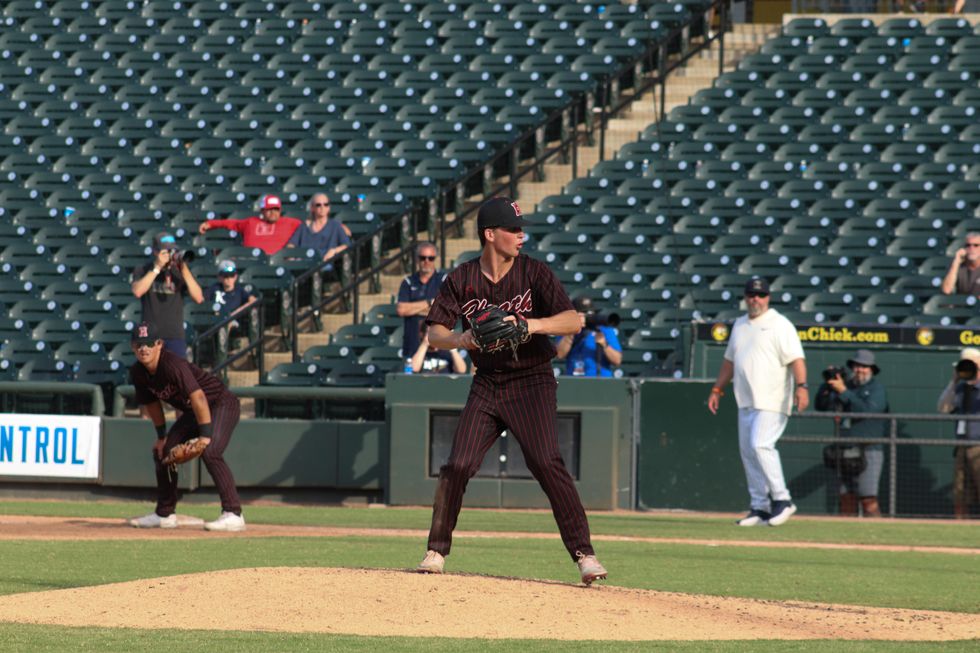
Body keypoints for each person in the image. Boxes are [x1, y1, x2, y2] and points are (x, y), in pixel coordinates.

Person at [415, 196, 607, 585]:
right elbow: (434, 333)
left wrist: (530, 325)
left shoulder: (535, 272)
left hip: (532, 378)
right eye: (513, 230)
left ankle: (584, 553)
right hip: (487, 382)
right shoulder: (462, 278)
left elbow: (572, 320)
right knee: (458, 465)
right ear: (490, 235)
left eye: (521, 230)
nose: (522, 236)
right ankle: (436, 549)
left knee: (545, 461)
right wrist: (463, 339)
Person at [707, 277, 808, 527]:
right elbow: (730, 361)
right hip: (746, 399)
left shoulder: (779, 324)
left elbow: (796, 359)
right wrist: (717, 389)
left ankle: (783, 500)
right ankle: (760, 506)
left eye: (760, 295)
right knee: (749, 452)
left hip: (772, 398)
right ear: (745, 297)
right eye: (751, 294)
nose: (756, 299)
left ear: (768, 298)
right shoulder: (740, 325)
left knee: (760, 445)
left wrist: (802, 386)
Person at [126, 322, 246, 532]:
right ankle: (165, 514)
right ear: (132, 347)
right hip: (194, 412)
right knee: (164, 452)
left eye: (148, 344)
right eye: (139, 344)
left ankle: (233, 513)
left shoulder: (171, 364)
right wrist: (161, 437)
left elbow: (198, 396)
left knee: (211, 451)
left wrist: (205, 436)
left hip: (220, 403)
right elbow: (152, 405)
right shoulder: (138, 372)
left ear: (159, 344)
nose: (143, 348)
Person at [814, 350, 888, 518]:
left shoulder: (877, 389)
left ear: (871, 369)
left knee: (868, 499)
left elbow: (867, 411)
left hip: (869, 449)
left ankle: (878, 536)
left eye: (864, 367)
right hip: (845, 449)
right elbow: (821, 405)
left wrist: (844, 391)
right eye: (857, 366)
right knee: (846, 497)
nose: (860, 370)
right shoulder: (845, 386)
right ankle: (846, 538)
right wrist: (827, 384)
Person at [130, 231, 204, 359]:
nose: (170, 255)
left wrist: (184, 270)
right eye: (166, 251)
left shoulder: (179, 272)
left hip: (175, 335)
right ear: (155, 252)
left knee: (176, 376)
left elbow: (198, 298)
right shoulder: (143, 269)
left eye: (172, 251)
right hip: (149, 336)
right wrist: (157, 267)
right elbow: (138, 291)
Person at [937, 347, 980, 519]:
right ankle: (960, 526)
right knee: (960, 495)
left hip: (979, 446)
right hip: (962, 446)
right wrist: (953, 381)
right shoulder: (960, 389)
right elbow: (943, 408)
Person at [197, 194, 301, 255]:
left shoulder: (291, 222)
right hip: (251, 261)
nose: (273, 212)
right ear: (262, 211)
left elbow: (309, 230)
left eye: (276, 209)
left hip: (278, 262)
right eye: (269, 209)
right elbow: (232, 223)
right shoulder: (251, 222)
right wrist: (211, 223)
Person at [396, 241, 447, 360]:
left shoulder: (444, 280)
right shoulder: (408, 282)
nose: (426, 261)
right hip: (412, 347)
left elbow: (445, 310)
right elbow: (401, 310)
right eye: (422, 257)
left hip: (440, 348)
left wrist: (413, 309)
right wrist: (429, 303)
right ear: (417, 259)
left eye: (431, 258)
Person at [555, 296, 622, 377]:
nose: (586, 317)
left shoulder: (604, 329)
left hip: (600, 382)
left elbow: (617, 360)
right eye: (583, 313)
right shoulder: (567, 328)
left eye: (589, 313)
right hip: (574, 382)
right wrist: (572, 330)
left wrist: (604, 344)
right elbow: (559, 355)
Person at [286, 193, 352, 264]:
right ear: (312, 208)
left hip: (325, 264)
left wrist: (334, 251)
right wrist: (291, 257)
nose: (322, 207)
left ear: (329, 208)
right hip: (304, 263)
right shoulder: (304, 226)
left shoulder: (335, 226)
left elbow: (346, 245)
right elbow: (291, 244)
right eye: (318, 205)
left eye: (326, 204)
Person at [205, 259, 259, 345]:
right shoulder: (214, 288)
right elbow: (204, 302)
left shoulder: (239, 290)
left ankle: (223, 351)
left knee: (227, 324)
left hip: (233, 322)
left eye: (231, 275)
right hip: (215, 319)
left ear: (236, 276)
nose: (229, 279)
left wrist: (233, 315)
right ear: (219, 277)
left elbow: (253, 301)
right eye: (225, 276)